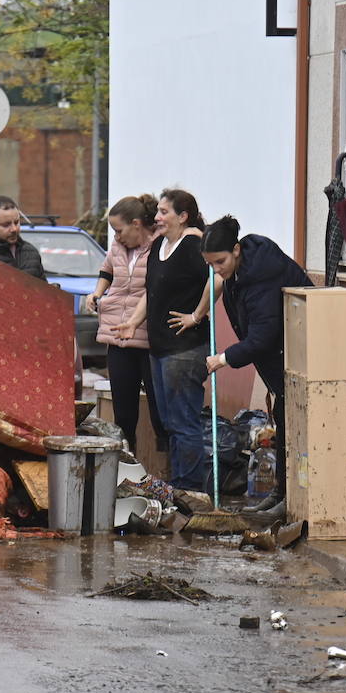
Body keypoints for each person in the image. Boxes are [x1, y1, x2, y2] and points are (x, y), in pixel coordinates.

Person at [190, 215, 313, 514]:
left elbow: (262, 337)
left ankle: (293, 500)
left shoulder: (261, 274)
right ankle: (282, 494)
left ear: (235, 249)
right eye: (211, 265)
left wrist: (223, 359)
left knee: (299, 431)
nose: (217, 271)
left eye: (220, 262)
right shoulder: (241, 269)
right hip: (284, 357)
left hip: (302, 353)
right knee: (285, 427)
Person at [113, 188, 211, 492]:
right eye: (158, 212)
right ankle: (178, 484)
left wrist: (196, 315)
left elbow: (217, 278)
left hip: (185, 349)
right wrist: (133, 322)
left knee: (184, 423)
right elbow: (150, 291)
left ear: (183, 217)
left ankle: (190, 489)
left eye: (164, 212)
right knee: (169, 424)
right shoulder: (158, 247)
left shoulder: (193, 245)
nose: (157, 217)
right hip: (159, 349)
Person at [89, 193, 169, 456]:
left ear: (137, 224)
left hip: (147, 337)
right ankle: (127, 468)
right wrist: (97, 293)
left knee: (160, 411)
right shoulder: (117, 246)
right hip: (117, 335)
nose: (117, 236)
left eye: (119, 230)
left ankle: (166, 471)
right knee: (124, 412)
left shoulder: (161, 246)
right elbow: (107, 270)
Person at [0, 195, 46, 279]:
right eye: (6, 225)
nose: (14, 229)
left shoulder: (31, 253)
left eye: (16, 222)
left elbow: (42, 290)